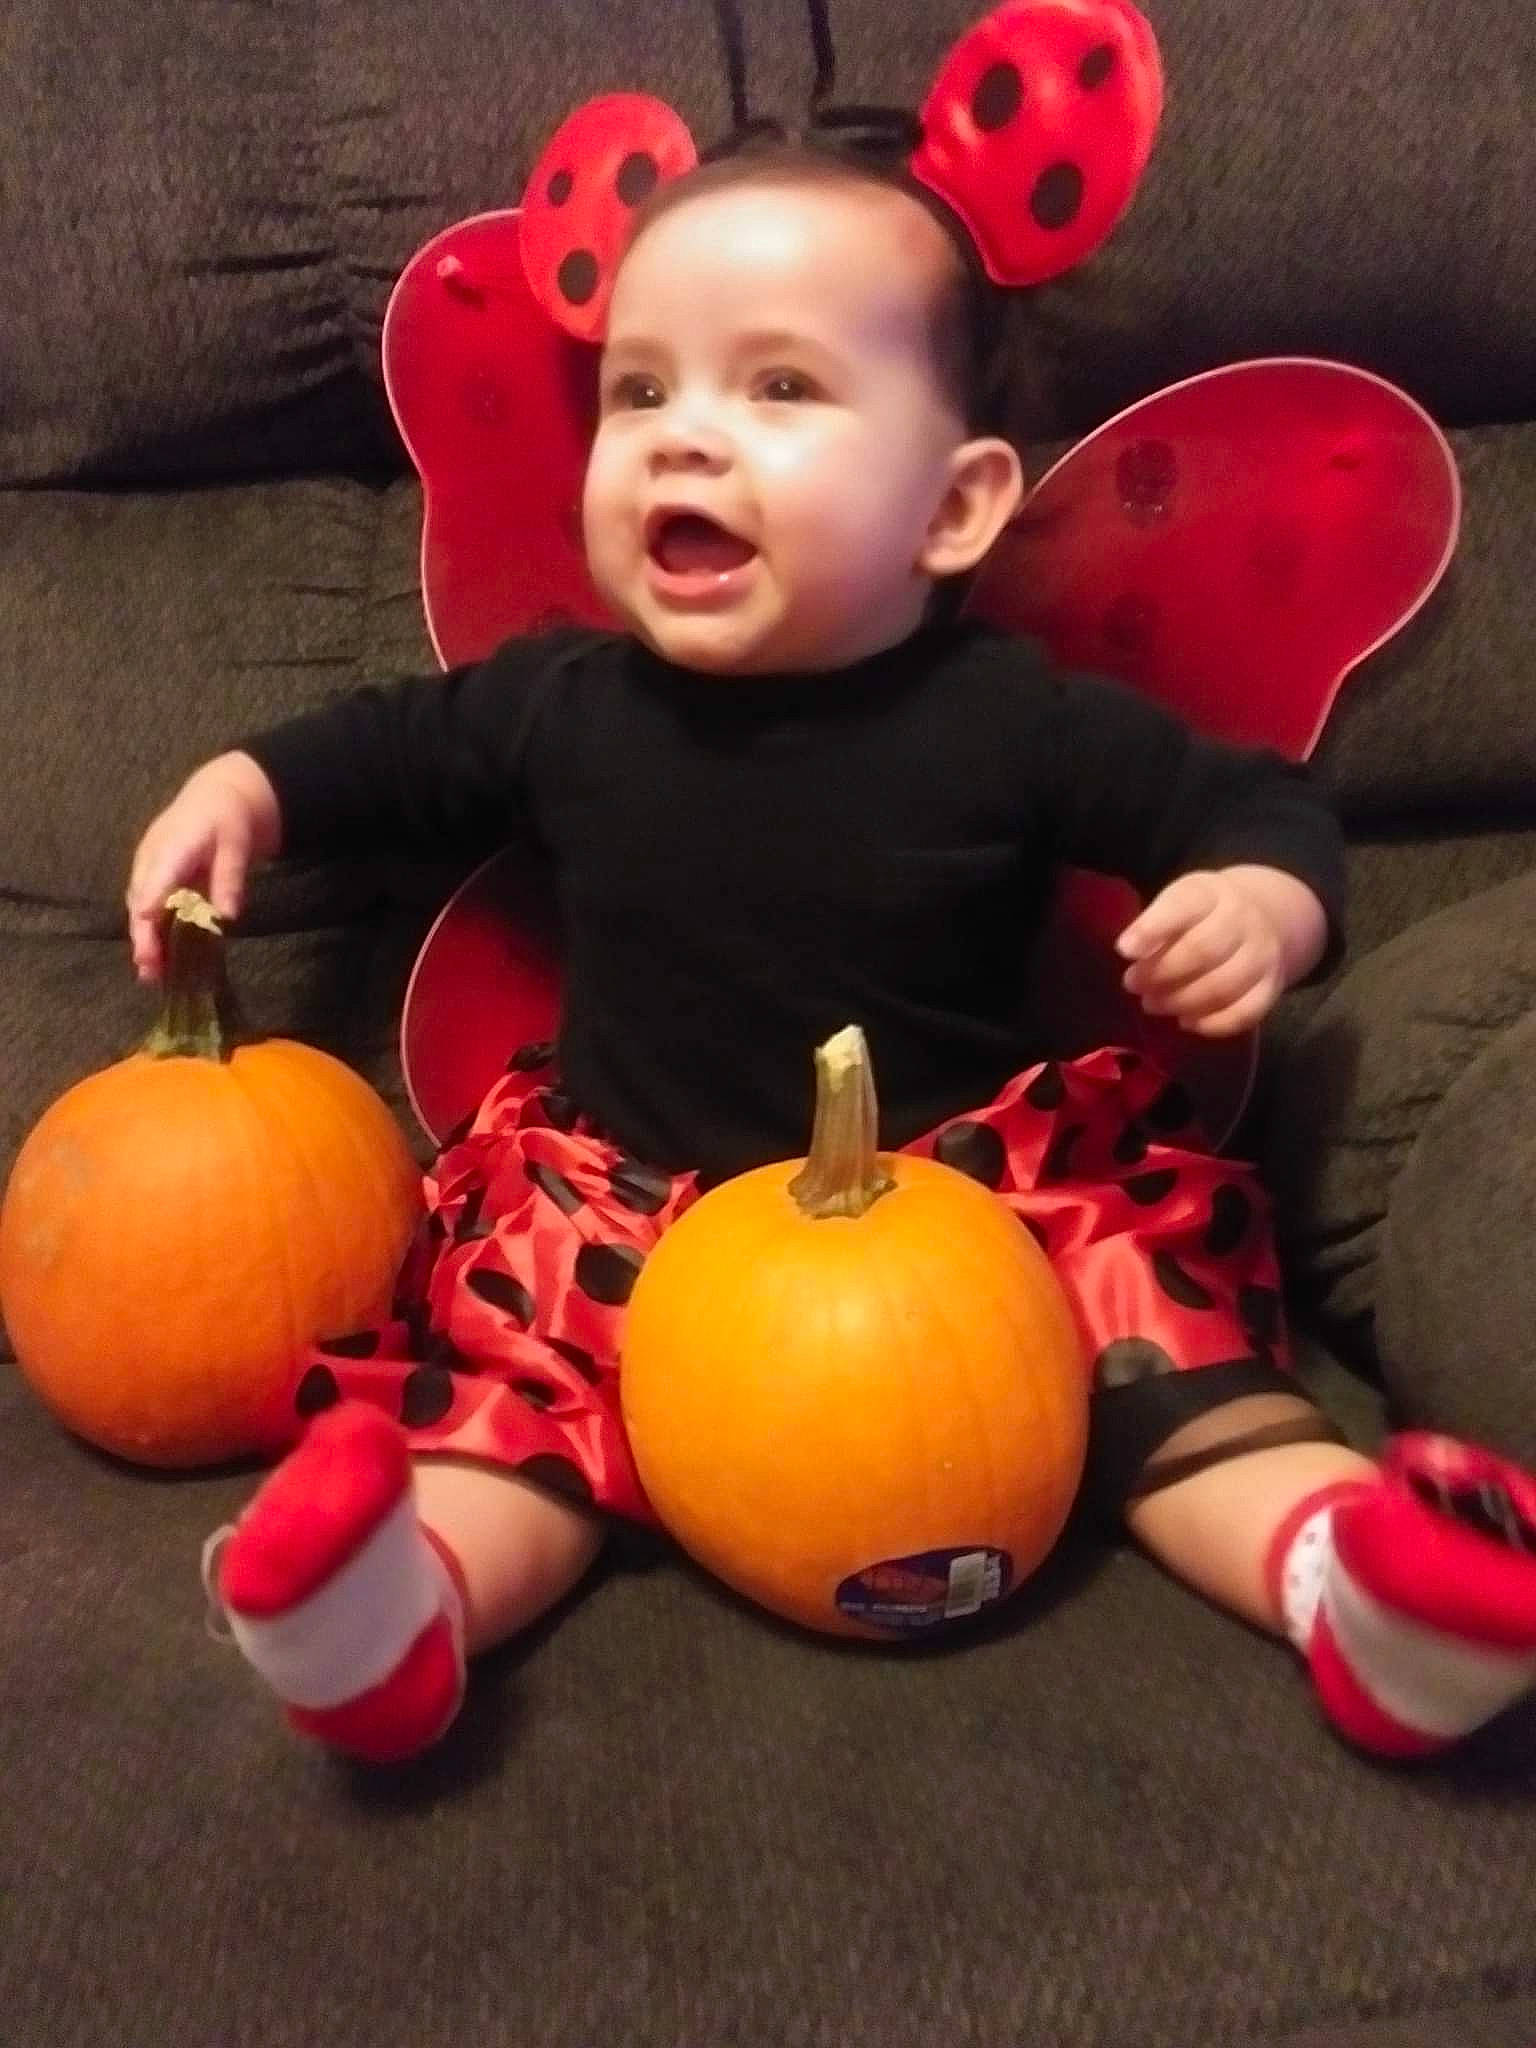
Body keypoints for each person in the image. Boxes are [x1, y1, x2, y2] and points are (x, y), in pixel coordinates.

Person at [127, 144, 1536, 1769]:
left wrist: (1264, 900)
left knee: (1167, 1360)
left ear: (955, 507)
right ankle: (396, 1616)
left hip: (973, 1208)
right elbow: (376, 751)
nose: (686, 435)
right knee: (525, 1422)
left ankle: (1354, 1584)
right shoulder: (562, 704)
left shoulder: (1012, 720)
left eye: (779, 385)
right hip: (635, 1212)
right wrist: (235, 789)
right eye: (639, 391)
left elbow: (1240, 800)